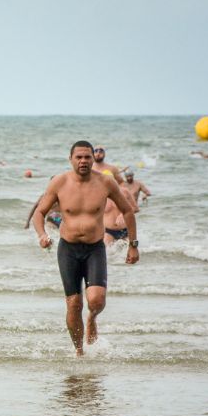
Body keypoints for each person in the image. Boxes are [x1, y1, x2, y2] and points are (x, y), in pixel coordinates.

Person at [32, 141, 138, 356]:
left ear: (93, 159)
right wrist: (42, 235)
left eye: (87, 157)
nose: (83, 161)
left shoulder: (106, 182)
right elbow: (39, 212)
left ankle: (92, 318)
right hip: (68, 250)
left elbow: (128, 211)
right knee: (74, 304)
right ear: (70, 159)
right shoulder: (59, 182)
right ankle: (79, 351)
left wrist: (133, 245)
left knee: (96, 301)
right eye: (78, 157)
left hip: (94, 249)